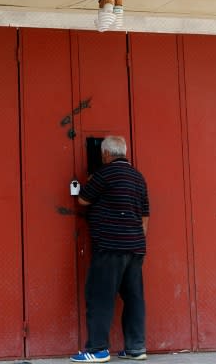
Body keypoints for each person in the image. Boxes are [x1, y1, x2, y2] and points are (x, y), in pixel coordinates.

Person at [70, 136, 150, 363]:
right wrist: (136, 241)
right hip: (135, 247)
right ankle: (136, 348)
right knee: (134, 297)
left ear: (105, 154)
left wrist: (88, 181)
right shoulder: (138, 177)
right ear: (124, 152)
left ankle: (98, 349)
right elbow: (145, 216)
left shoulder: (104, 175)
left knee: (100, 297)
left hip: (110, 246)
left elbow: (83, 200)